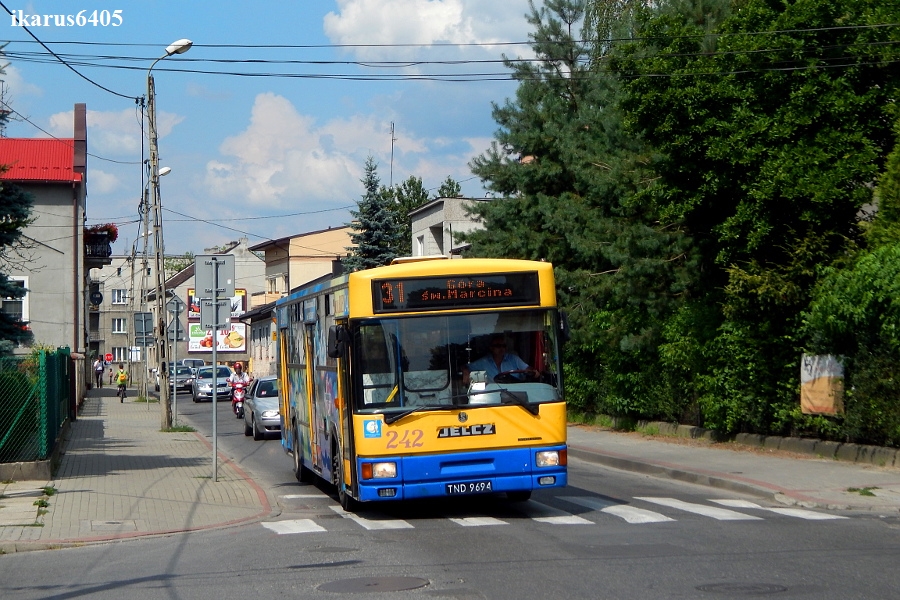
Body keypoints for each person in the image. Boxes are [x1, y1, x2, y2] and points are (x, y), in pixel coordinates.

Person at [463, 334, 538, 385]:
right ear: (491, 348)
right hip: (492, 398)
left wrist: (533, 371)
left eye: (504, 346)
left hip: (516, 396)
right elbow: (465, 367)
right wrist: (466, 372)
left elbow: (527, 369)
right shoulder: (484, 362)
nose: (502, 348)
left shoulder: (514, 359)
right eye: (498, 346)